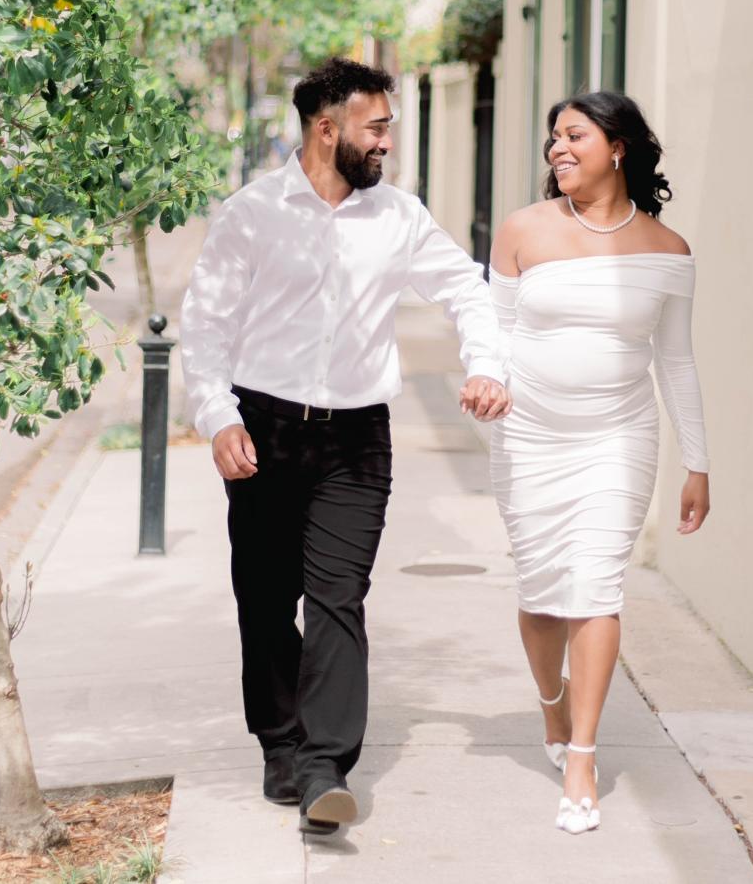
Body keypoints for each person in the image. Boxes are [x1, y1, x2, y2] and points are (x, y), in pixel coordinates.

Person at [179, 57, 512, 835]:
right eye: (377, 127)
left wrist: (487, 364)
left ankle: (325, 765)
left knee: (338, 598)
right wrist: (219, 417)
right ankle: (280, 741)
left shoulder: (399, 217)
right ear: (327, 129)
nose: (387, 142)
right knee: (265, 601)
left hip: (358, 439)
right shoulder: (252, 213)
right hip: (263, 429)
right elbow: (205, 324)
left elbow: (466, 288)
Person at [487, 90, 710, 836]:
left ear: (618, 147)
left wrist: (698, 462)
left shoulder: (668, 250)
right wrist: (485, 379)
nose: (558, 147)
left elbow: (676, 361)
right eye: (553, 136)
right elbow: (493, 333)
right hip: (528, 437)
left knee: (594, 587)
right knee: (542, 591)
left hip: (618, 438)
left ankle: (581, 756)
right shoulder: (523, 230)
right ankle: (552, 705)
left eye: (574, 135)